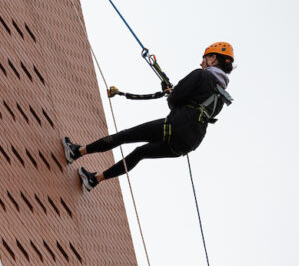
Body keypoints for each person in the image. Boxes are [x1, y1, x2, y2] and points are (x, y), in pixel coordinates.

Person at [62, 42, 235, 191]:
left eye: (205, 58)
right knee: (140, 153)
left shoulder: (200, 74)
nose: (201, 62)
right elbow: (194, 106)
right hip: (188, 144)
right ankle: (94, 180)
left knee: (125, 136)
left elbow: (175, 100)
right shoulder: (222, 97)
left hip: (175, 127)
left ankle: (76, 152)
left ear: (213, 59)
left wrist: (171, 94)